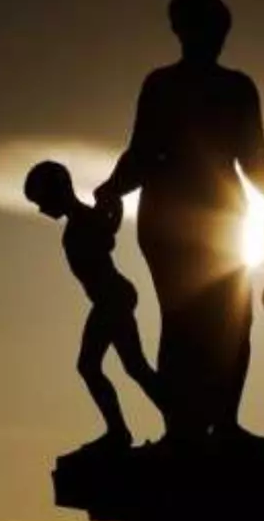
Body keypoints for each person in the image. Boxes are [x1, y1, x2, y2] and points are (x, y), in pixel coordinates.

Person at [97, 0, 264, 442]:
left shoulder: (238, 88)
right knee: (181, 320)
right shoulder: (161, 85)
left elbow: (255, 160)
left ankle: (224, 423)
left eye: (218, 29)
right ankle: (181, 428)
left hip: (223, 216)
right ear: (181, 30)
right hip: (168, 218)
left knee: (236, 316)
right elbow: (141, 152)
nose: (214, 37)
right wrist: (112, 188)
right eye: (205, 27)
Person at [24, 159, 164, 451]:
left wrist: (111, 200)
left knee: (97, 366)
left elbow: (108, 234)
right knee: (131, 366)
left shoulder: (83, 220)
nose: (41, 209)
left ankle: (125, 431)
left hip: (112, 299)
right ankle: (152, 424)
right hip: (109, 300)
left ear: (56, 192)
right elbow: (109, 230)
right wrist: (110, 203)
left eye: (41, 200)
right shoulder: (83, 219)